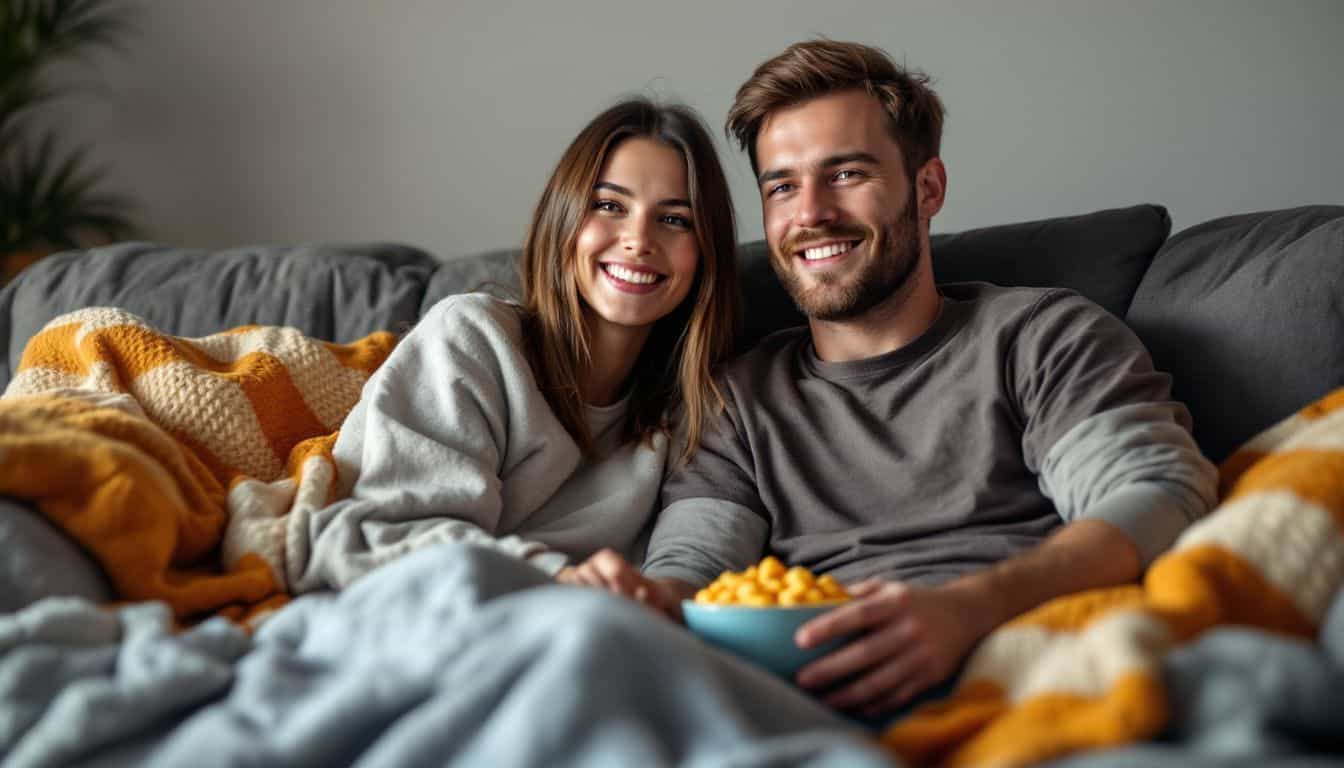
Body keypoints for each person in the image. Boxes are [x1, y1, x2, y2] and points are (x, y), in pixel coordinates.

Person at [583, 40, 1218, 720]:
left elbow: (1159, 492)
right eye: (782, 186)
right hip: (817, 696)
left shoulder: (1040, 337)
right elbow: (694, 567)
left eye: (847, 174)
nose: (811, 213)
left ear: (928, 187)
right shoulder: (737, 399)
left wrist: (967, 610)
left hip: (1033, 664)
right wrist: (645, 599)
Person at [290, 99, 740, 593]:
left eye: (674, 219)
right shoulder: (471, 338)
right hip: (420, 610)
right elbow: (393, 535)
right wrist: (560, 580)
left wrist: (655, 600)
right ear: (563, 219)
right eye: (609, 206)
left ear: (706, 251)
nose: (638, 239)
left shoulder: (701, 402)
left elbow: (698, 565)